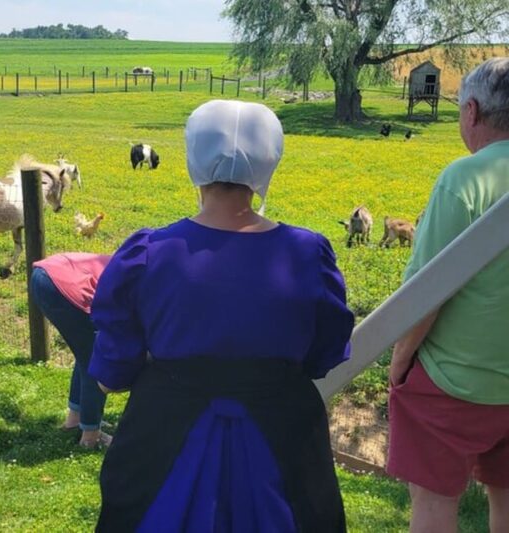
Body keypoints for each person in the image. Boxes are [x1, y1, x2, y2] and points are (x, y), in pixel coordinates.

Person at [88, 100, 354, 532]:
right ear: (270, 160)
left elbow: (113, 372)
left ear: (194, 159)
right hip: (283, 434)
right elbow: (324, 353)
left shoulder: (149, 254)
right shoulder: (307, 253)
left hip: (162, 433)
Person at [387, 57, 509, 533]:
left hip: (455, 382)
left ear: (472, 112)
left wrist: (400, 363)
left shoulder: (464, 179)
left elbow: (424, 295)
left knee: (435, 502)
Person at [30, 253, 112, 448]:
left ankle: (75, 419)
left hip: (44, 276)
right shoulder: (149, 282)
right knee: (96, 360)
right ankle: (91, 436)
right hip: (61, 283)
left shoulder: (137, 262)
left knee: (85, 353)